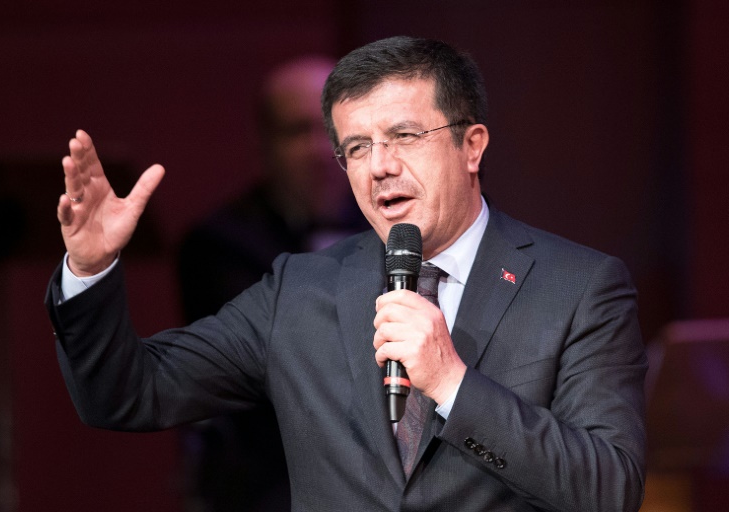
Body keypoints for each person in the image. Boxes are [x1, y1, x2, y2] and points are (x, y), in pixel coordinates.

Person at [47, 36, 647, 511]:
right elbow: (128, 393)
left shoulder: (578, 287)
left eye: (404, 136)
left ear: (472, 145)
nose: (379, 166)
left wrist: (452, 383)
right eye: (357, 147)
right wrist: (90, 269)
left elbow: (609, 490)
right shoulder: (299, 289)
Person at [176, 56, 366, 512]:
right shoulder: (220, 244)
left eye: (334, 132)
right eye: (299, 132)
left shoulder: (401, 228)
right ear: (265, 145)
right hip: (271, 473)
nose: (320, 151)